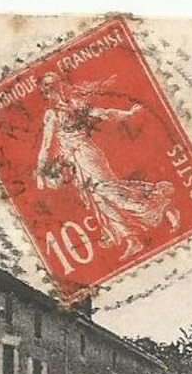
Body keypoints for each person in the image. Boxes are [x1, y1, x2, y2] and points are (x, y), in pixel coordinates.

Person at [34, 73, 181, 262]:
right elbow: (47, 144)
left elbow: (104, 113)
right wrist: (40, 172)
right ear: (46, 91)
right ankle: (131, 239)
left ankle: (163, 206)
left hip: (87, 155)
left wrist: (128, 113)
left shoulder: (72, 105)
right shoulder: (57, 112)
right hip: (76, 162)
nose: (55, 89)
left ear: (60, 86)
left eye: (56, 84)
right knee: (99, 200)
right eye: (50, 87)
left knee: (110, 191)